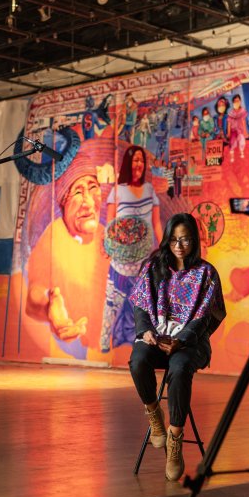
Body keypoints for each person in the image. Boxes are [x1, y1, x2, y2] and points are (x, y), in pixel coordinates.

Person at [128, 213, 225, 481]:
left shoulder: (206, 273)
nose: (179, 245)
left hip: (190, 342)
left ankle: (175, 438)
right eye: (173, 239)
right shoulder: (153, 267)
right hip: (156, 336)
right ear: (166, 240)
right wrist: (146, 332)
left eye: (185, 239)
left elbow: (207, 317)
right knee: (138, 361)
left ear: (194, 240)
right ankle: (153, 413)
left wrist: (181, 340)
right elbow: (140, 305)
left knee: (180, 367)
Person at [25, 159, 108, 352]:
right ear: (63, 202)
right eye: (78, 192)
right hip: (71, 351)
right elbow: (34, 295)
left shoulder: (108, 236)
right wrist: (50, 308)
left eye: (93, 187)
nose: (88, 203)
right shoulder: (53, 236)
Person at [100, 145, 163, 353]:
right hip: (120, 260)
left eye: (141, 161)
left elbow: (156, 224)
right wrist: (106, 245)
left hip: (145, 259)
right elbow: (109, 225)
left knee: (147, 303)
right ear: (128, 163)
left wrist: (163, 250)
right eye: (135, 160)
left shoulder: (149, 190)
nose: (139, 164)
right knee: (112, 302)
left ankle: (148, 345)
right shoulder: (117, 191)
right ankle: (104, 343)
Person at [226, 93, 249, 162]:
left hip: (240, 130)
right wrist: (228, 133)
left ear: (240, 101)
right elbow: (229, 124)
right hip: (233, 131)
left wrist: (245, 132)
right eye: (235, 101)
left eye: (238, 100)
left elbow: (244, 122)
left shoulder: (243, 111)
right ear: (233, 102)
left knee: (242, 141)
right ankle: (232, 156)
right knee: (232, 142)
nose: (237, 102)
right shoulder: (231, 113)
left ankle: (241, 151)